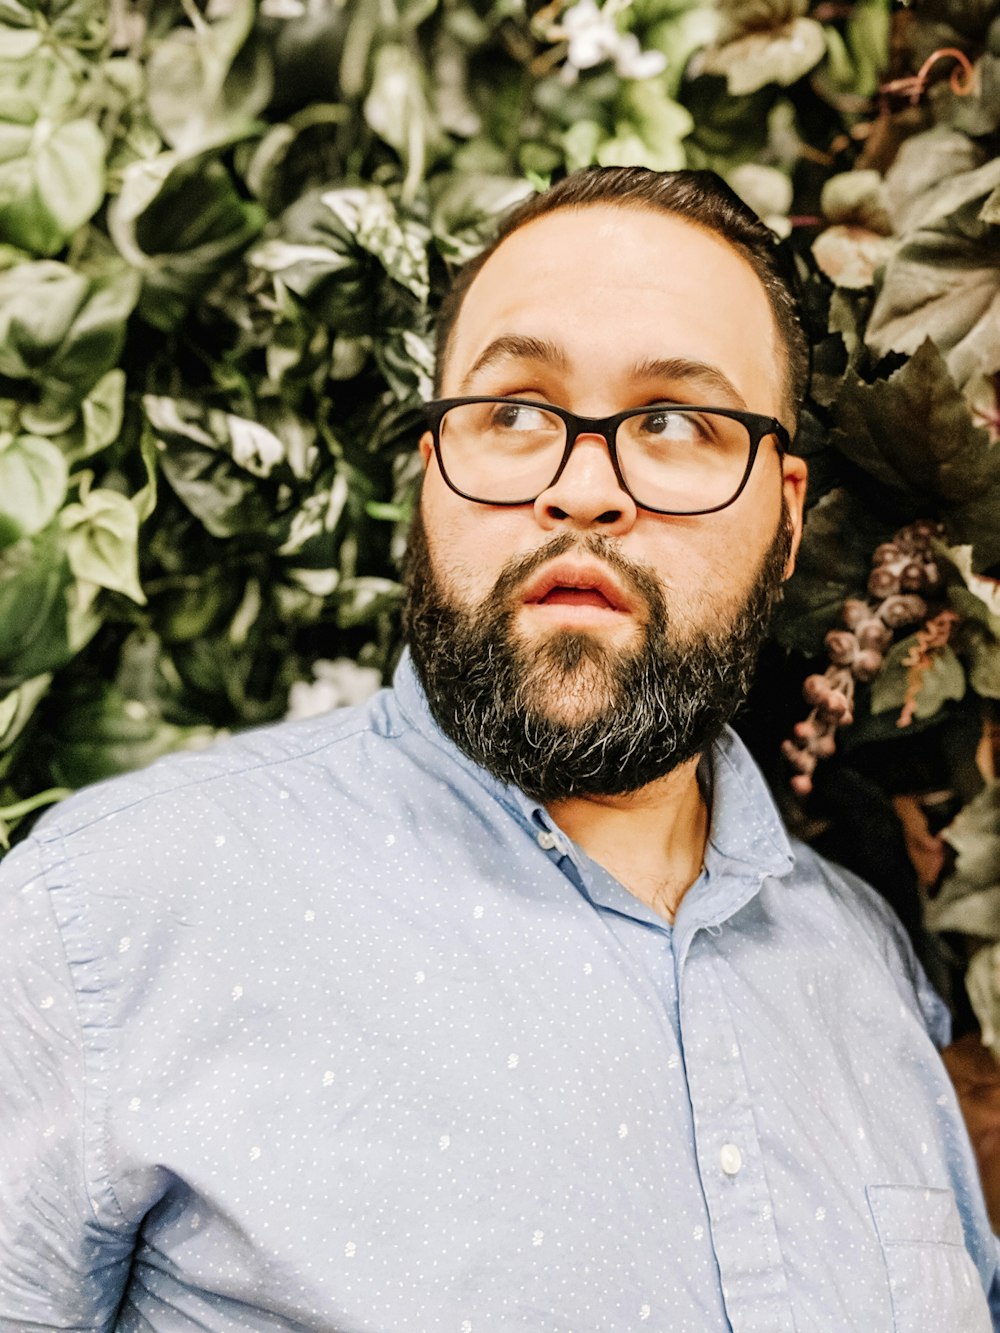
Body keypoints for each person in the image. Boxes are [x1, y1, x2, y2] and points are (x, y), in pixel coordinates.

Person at [0, 166, 996, 1332]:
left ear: (784, 519)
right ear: (428, 478)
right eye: (513, 411)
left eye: (674, 420)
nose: (582, 488)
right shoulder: (106, 918)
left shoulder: (867, 971)